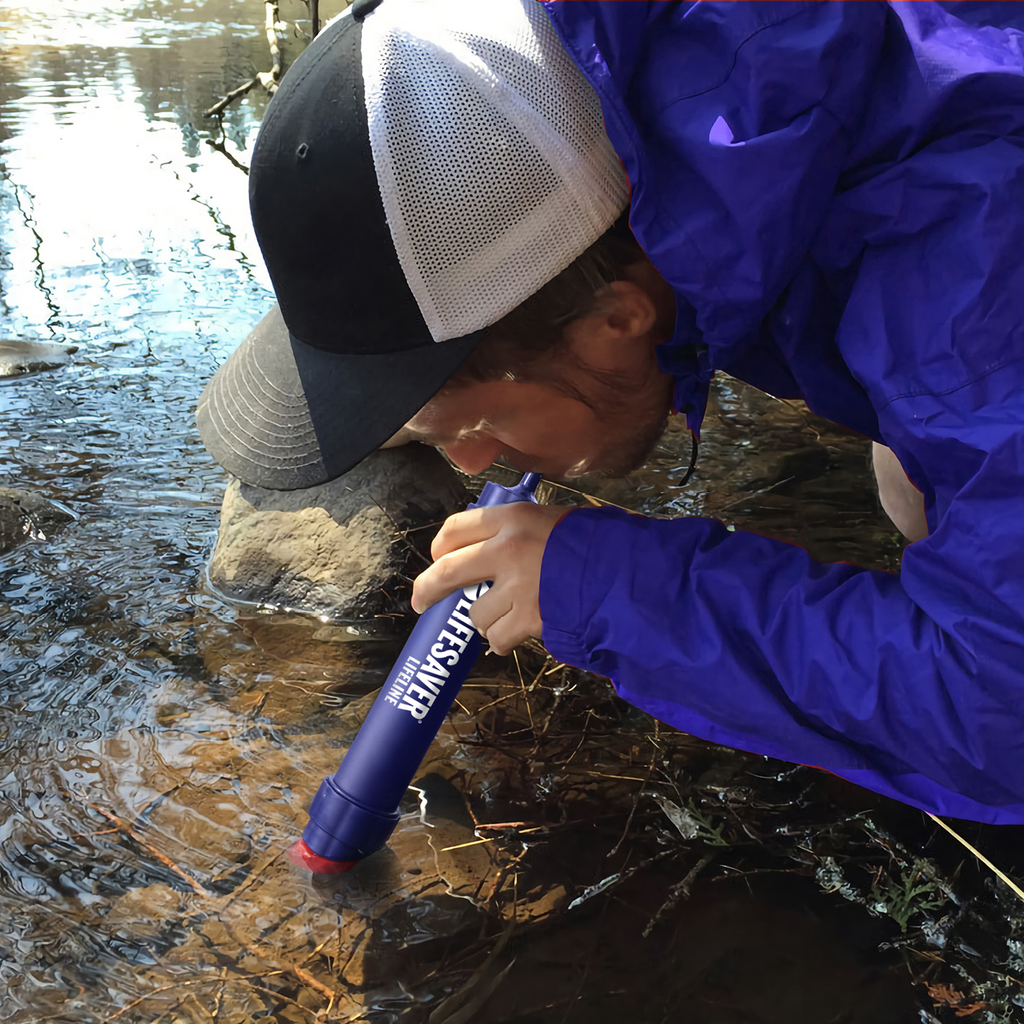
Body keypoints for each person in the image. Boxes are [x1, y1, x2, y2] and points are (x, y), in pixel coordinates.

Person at [197, 0, 1024, 825]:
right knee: (914, 479)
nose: (474, 464)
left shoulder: (970, 308)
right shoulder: (714, 149)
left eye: (468, 426)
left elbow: (1005, 715)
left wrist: (605, 587)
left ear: (613, 322)